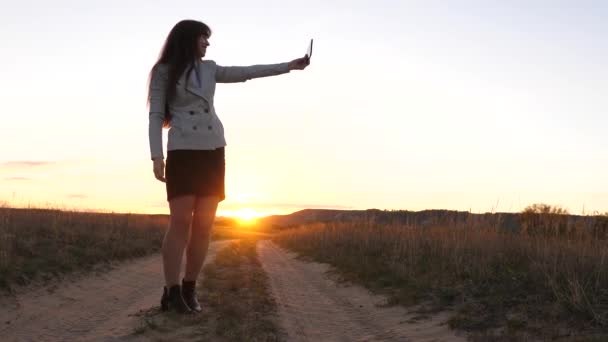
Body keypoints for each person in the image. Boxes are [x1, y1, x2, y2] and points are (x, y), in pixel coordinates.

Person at [147, 19, 309, 314]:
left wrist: (289, 65)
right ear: (188, 39)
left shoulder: (209, 69)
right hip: (182, 150)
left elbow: (247, 72)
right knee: (181, 222)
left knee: (204, 225)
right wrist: (156, 156)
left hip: (212, 149)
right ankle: (170, 293)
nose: (207, 44)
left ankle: (189, 287)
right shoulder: (163, 71)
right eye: (203, 38)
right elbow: (156, 115)